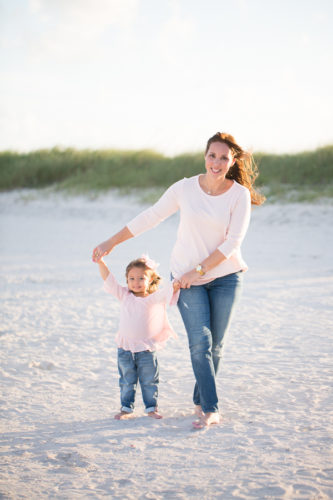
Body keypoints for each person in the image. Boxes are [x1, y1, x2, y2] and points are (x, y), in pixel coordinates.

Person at [92, 132, 265, 428]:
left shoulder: (239, 195)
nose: (217, 162)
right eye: (212, 155)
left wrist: (195, 270)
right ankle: (211, 408)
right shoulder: (185, 188)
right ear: (205, 156)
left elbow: (231, 244)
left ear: (232, 161)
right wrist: (112, 242)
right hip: (186, 280)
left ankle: (200, 398)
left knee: (216, 346)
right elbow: (151, 216)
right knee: (201, 344)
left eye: (224, 157)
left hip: (225, 277)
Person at [96, 254, 180, 420]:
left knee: (149, 381)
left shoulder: (152, 299)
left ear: (150, 280)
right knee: (127, 380)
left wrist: (177, 283)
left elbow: (167, 292)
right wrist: (100, 262)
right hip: (125, 348)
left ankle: (151, 408)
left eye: (141, 278)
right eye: (132, 278)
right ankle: (126, 408)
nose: (136, 282)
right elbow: (109, 280)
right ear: (127, 280)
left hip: (146, 349)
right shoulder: (124, 295)